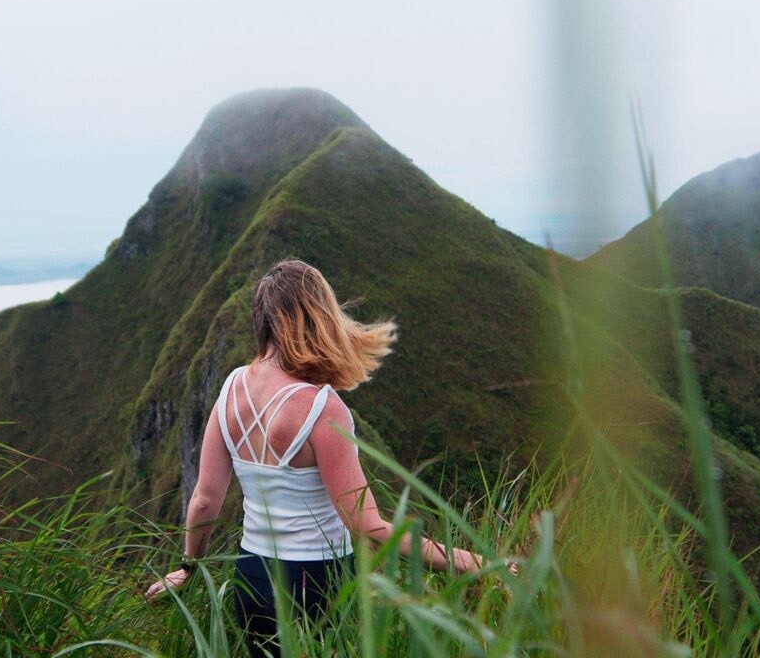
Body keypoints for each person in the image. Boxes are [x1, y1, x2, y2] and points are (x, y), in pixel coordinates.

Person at [143, 259, 501, 656]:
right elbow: (367, 527)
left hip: (250, 581)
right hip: (315, 585)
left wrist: (187, 568)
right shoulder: (321, 409)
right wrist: (472, 562)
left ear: (261, 321)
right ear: (317, 318)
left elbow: (204, 501)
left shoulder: (230, 388)